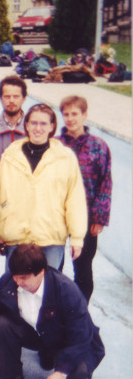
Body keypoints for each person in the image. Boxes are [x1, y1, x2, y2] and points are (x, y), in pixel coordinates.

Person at [0, 244, 105, 379]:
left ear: (41, 272)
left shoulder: (67, 290)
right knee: (2, 323)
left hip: (65, 340)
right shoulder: (7, 282)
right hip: (38, 332)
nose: (17, 282)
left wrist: (61, 372)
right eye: (15, 276)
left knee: (79, 370)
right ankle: (12, 378)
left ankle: (65, 376)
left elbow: (81, 336)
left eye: (23, 277)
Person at [0, 104, 87, 271]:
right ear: (26, 125)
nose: (38, 128)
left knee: (47, 291)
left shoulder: (65, 158)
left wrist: (77, 237)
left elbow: (75, 199)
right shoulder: (10, 155)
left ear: (51, 127)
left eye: (43, 124)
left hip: (50, 239)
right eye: (33, 123)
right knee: (16, 290)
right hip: (16, 238)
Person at [57, 95, 112, 302]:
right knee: (56, 262)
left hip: (88, 213)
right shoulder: (56, 144)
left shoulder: (99, 146)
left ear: (84, 115)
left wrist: (99, 217)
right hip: (58, 211)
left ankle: (80, 310)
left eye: (75, 114)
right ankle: (58, 308)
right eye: (66, 114)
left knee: (83, 265)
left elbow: (105, 182)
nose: (70, 119)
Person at [0, 75, 27, 158]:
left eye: (16, 96)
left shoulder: (32, 129)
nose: (11, 101)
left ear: (24, 99)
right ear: (0, 99)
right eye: (7, 96)